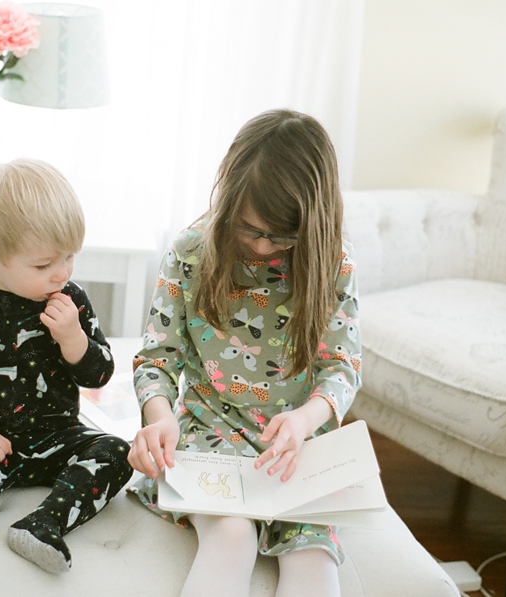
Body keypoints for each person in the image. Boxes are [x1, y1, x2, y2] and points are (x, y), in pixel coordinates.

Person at [127, 109, 362, 597]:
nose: (261, 245)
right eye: (249, 228)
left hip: (297, 442)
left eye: (279, 235)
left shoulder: (333, 264)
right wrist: (160, 416)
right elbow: (157, 358)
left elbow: (342, 368)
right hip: (210, 425)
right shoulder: (192, 252)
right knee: (231, 537)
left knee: (313, 556)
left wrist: (305, 420)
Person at [0, 158, 132, 597]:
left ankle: (42, 526)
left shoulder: (71, 300)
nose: (62, 273)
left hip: (59, 437)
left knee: (115, 451)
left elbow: (101, 373)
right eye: (44, 265)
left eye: (70, 256)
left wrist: (73, 338)